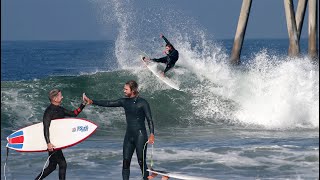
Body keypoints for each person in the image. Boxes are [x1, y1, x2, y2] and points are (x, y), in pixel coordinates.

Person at [83, 80, 155, 180]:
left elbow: (149, 119)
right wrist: (92, 101)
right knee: (125, 161)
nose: (124, 91)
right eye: (124, 89)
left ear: (133, 90)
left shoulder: (142, 102)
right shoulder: (124, 101)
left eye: (126, 89)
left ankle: (146, 178)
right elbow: (109, 103)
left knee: (141, 161)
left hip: (140, 135)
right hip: (129, 136)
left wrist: (152, 134)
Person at [35, 89, 86, 180]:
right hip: (52, 143)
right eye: (60, 96)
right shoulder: (49, 111)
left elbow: (74, 113)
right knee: (63, 164)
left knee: (52, 166)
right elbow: (46, 127)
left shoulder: (60, 109)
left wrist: (83, 104)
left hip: (56, 141)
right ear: (54, 98)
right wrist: (48, 143)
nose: (62, 97)